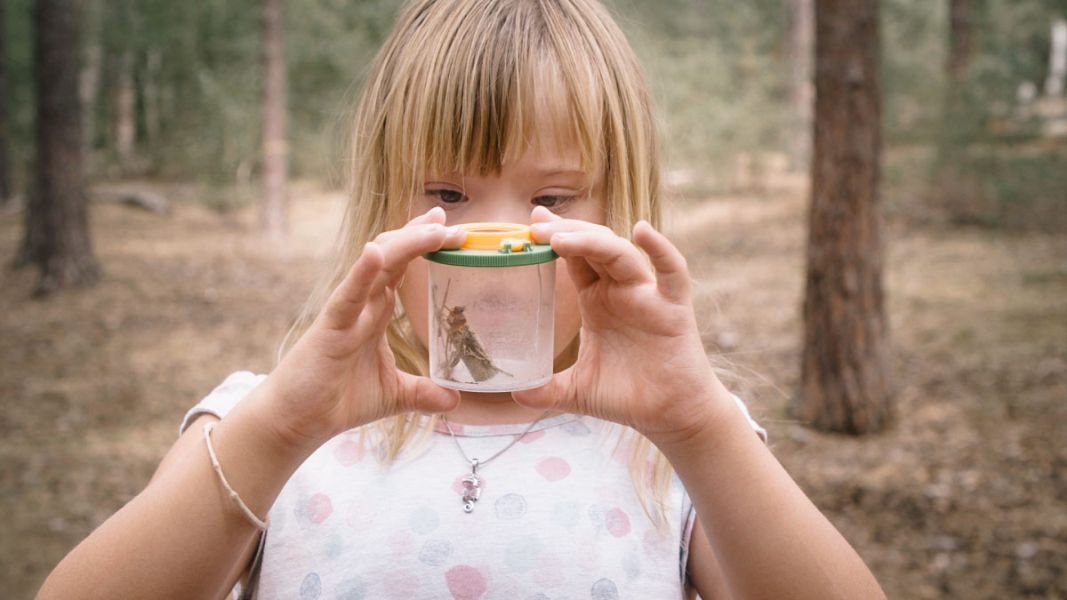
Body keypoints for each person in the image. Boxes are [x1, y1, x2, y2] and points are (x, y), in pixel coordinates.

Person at [39, 1, 885, 598]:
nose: (497, 239)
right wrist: (280, 430)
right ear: (380, 203)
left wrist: (699, 425)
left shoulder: (674, 448)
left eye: (552, 200)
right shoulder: (266, 423)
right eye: (446, 192)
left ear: (621, 207)